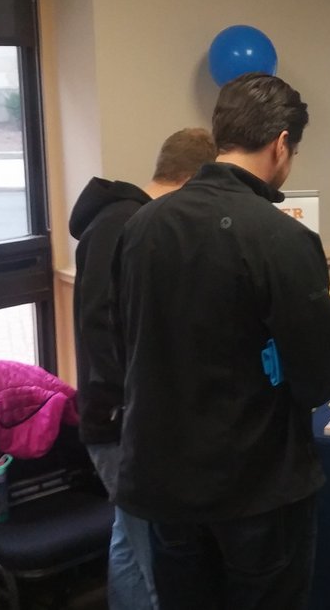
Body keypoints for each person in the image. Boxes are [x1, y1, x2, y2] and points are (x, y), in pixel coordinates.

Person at [115, 73, 330, 609]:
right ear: (281, 145)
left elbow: (126, 344)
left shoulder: (142, 225)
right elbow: (319, 377)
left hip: (164, 479)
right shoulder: (282, 237)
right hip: (255, 487)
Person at [69, 127, 217, 610]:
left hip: (120, 418)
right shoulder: (124, 224)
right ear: (194, 180)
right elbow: (102, 327)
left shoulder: (132, 220)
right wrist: (140, 405)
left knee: (130, 541)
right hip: (121, 423)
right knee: (158, 562)